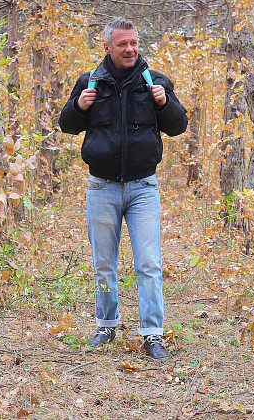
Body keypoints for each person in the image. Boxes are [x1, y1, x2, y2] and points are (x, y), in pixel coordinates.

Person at [59, 18, 188, 359]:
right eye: (122, 44)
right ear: (107, 47)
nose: (130, 49)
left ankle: (153, 335)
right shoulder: (90, 82)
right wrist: (79, 106)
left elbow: (178, 126)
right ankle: (106, 325)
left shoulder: (155, 82)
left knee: (148, 263)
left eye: (134, 43)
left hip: (143, 187)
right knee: (104, 262)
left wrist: (164, 103)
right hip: (101, 188)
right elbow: (67, 125)